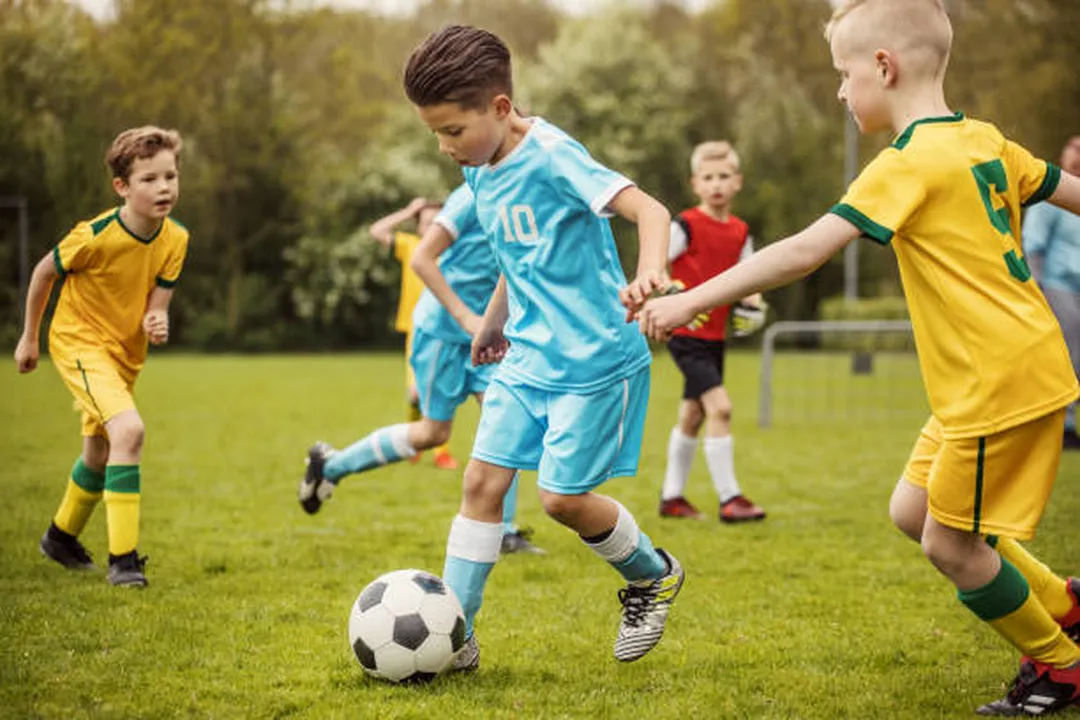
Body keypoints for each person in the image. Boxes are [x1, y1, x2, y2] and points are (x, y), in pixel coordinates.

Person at [637, 1, 1080, 715]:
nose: (841, 92)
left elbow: (803, 252)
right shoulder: (984, 140)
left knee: (953, 548)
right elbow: (1071, 193)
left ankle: (1061, 665)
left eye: (843, 75)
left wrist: (692, 300)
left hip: (997, 381)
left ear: (884, 66)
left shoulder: (906, 163)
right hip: (993, 376)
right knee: (913, 511)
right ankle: (1063, 603)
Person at [402, 25, 685, 671]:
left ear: (500, 109)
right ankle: (456, 636)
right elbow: (516, 256)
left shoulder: (554, 155)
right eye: (436, 134)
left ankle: (652, 575)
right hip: (526, 356)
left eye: (453, 131)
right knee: (479, 482)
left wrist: (647, 274)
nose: (445, 148)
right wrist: (491, 323)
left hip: (592, 360)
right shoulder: (479, 171)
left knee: (560, 501)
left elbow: (652, 211)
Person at [299, 184, 544, 555]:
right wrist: (467, 319)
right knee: (432, 432)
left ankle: (504, 533)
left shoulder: (524, 200)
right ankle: (330, 466)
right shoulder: (470, 196)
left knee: (507, 421)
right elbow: (421, 260)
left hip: (487, 336)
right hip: (442, 334)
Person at [14, 126, 189, 588]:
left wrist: (157, 322)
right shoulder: (93, 236)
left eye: (170, 176)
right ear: (122, 187)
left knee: (99, 452)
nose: (164, 187)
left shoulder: (176, 240)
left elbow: (157, 307)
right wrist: (29, 338)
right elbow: (42, 274)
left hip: (123, 355)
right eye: (149, 179)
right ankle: (124, 563)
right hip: (79, 343)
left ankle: (59, 538)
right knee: (129, 430)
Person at [659, 140, 768, 523]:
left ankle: (672, 499)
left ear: (737, 181)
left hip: (715, 338)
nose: (716, 184)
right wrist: (671, 292)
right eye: (708, 177)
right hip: (686, 335)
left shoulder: (740, 231)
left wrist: (755, 304)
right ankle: (730, 499)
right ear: (695, 184)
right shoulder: (684, 225)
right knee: (721, 407)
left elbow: (750, 274)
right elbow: (656, 265)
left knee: (693, 415)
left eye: (724, 176)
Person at [369, 197, 460, 470]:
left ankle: (441, 452)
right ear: (419, 226)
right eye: (427, 222)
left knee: (440, 391)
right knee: (415, 394)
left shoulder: (454, 252)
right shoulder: (410, 247)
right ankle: (414, 443)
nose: (432, 227)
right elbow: (377, 231)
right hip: (417, 329)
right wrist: (407, 211)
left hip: (448, 331)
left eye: (437, 223)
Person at [1023, 135, 1080, 451]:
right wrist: (1036, 290)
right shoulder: (1053, 195)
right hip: (1058, 287)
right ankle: (1064, 426)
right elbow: (1033, 244)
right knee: (1067, 357)